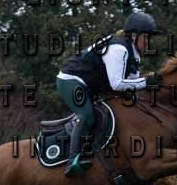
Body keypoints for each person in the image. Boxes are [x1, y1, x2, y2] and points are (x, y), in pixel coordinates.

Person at [56, 11, 164, 175]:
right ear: (134, 35)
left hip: (90, 85)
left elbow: (132, 82)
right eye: (146, 37)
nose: (149, 42)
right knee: (87, 115)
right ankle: (72, 161)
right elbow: (117, 84)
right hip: (70, 80)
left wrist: (148, 83)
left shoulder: (134, 54)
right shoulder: (118, 49)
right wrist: (145, 82)